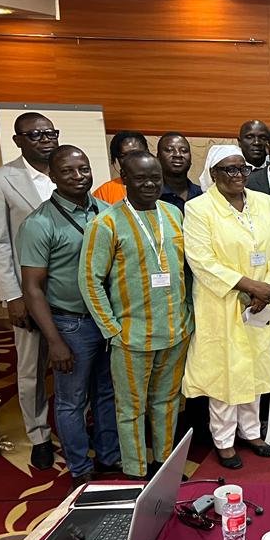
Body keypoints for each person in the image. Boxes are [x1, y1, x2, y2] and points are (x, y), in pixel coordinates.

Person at [80, 151, 193, 480]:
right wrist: (112, 329)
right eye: (140, 178)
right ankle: (135, 471)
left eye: (155, 178)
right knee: (131, 408)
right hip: (131, 337)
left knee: (167, 402)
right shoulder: (106, 223)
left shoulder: (173, 214)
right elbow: (90, 280)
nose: (149, 184)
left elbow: (187, 270)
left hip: (175, 332)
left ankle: (164, 465)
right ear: (124, 179)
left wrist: (188, 314)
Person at [19, 146, 119, 486]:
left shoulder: (107, 211)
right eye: (67, 171)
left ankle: (109, 456)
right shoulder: (39, 224)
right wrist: (54, 340)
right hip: (70, 324)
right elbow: (32, 288)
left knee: (107, 392)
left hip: (107, 321)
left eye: (84, 169)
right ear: (52, 175)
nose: (78, 176)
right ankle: (80, 467)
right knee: (71, 400)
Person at [183, 146, 270, 470]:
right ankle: (224, 440)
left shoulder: (264, 202)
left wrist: (267, 288)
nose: (238, 175)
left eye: (243, 169)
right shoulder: (199, 208)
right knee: (225, 373)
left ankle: (252, 433)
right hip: (223, 302)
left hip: (262, 301)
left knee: (255, 367)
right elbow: (201, 259)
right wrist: (249, 286)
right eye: (230, 169)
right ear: (214, 174)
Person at [0, 112, 57, 469]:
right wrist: (12, 296)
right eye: (35, 134)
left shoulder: (69, 170)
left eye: (49, 132)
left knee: (78, 361)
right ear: (18, 141)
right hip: (29, 291)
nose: (45, 139)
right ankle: (39, 433)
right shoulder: (0, 180)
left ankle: (75, 425)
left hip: (71, 291)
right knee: (31, 367)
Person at [93, 131, 149, 204]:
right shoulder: (106, 191)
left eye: (135, 153)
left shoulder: (160, 185)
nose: (130, 159)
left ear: (147, 152)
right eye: (123, 156)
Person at [157, 132, 202, 213]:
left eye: (184, 151)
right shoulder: (152, 195)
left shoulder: (201, 195)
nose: (178, 155)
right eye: (169, 150)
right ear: (158, 158)